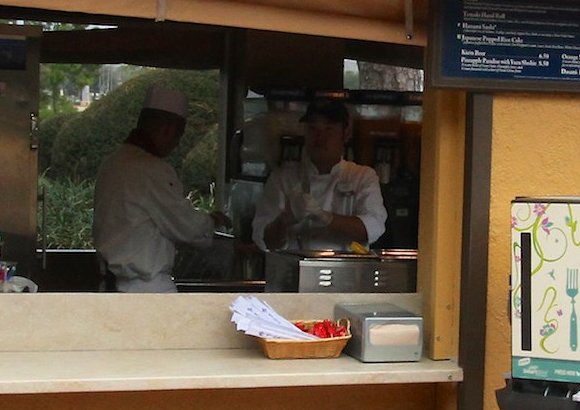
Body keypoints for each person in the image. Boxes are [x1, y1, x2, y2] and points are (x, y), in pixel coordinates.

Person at [94, 83, 227, 292]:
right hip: (145, 290)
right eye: (178, 137)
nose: (176, 145)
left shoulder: (113, 162)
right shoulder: (152, 169)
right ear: (168, 130)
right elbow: (187, 227)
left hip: (111, 285)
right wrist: (212, 221)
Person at [256, 98, 387, 255]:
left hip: (346, 273)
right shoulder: (282, 179)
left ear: (346, 134)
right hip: (294, 273)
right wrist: (284, 220)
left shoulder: (363, 177)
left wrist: (325, 217)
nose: (320, 138)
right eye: (313, 129)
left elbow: (372, 228)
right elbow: (265, 240)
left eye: (329, 129)